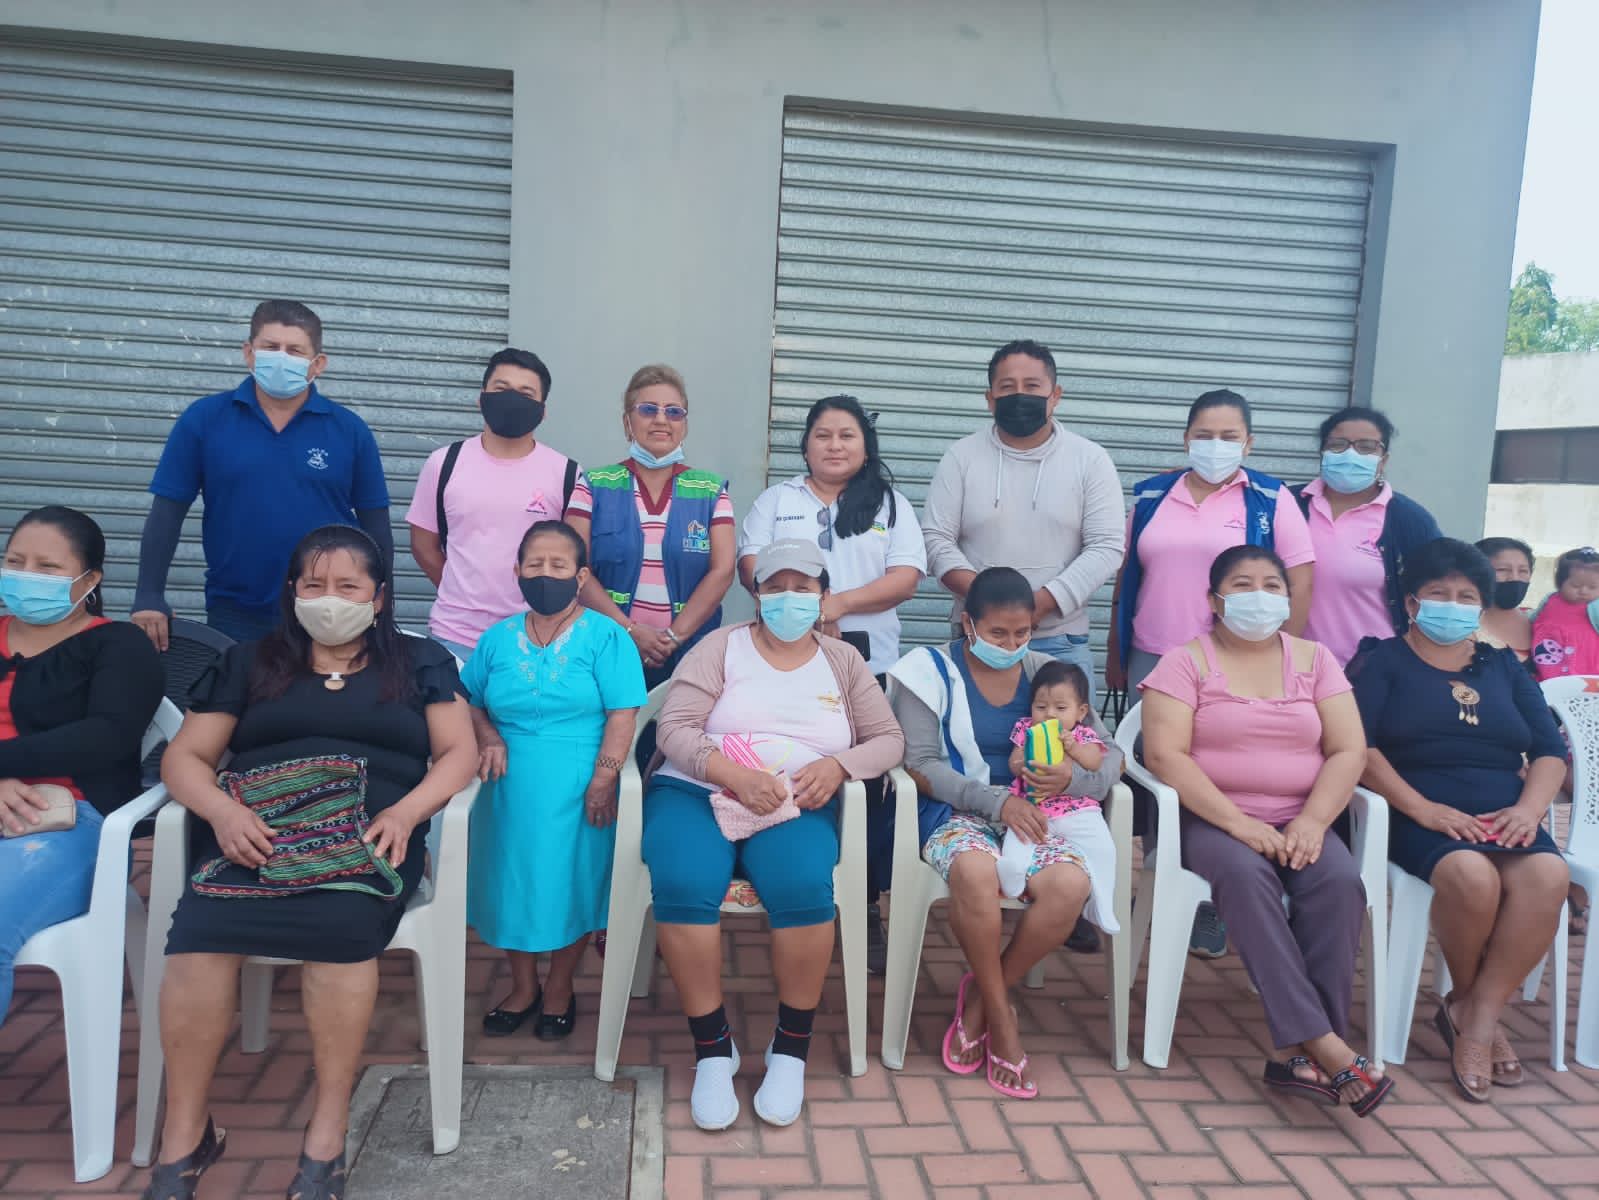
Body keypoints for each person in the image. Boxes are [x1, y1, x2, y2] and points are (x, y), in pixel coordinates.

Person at [141, 525, 476, 1200]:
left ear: (378, 597)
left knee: (340, 928)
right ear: (293, 591)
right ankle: (186, 1135)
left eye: (348, 586)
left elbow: (458, 754)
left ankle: (327, 1129)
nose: (329, 599)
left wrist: (408, 812)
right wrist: (222, 813)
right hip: (256, 835)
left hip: (368, 837)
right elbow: (185, 757)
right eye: (314, 584)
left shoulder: (420, 662)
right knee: (199, 937)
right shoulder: (251, 661)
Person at [641, 540, 903, 1131]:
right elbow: (673, 728)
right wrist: (732, 775)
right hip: (697, 789)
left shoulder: (843, 661)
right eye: (775, 587)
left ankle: (790, 1048)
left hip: (794, 801)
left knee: (804, 885)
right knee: (682, 879)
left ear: (823, 596)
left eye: (803, 588)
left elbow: (889, 740)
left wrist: (838, 767)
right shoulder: (721, 646)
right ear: (756, 594)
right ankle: (713, 1049)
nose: (789, 598)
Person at [1139, 545, 1390, 1116]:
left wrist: (1314, 820)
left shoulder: (1316, 660)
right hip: (1214, 819)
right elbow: (1165, 756)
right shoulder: (1184, 662)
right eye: (1243, 584)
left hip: (1302, 817)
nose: (1259, 596)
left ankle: (1299, 1054)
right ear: (1214, 600)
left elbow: (1348, 750)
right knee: (1247, 879)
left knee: (1338, 884)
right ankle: (1328, 1045)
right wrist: (1240, 824)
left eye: (1272, 585)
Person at [888, 567, 1123, 1100]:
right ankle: (1002, 1018)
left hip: (1041, 813)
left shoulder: (1047, 675)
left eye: (1022, 633)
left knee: (1069, 885)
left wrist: (1072, 779)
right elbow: (920, 764)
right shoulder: (928, 672)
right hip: (956, 811)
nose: (1012, 645)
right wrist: (998, 802)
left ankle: (980, 1000)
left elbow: (1111, 756)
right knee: (975, 871)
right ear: (968, 623)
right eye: (998, 633)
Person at [1350, 538, 1570, 1104]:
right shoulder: (1381, 661)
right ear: (1412, 602)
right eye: (1438, 593)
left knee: (1549, 876)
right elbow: (1359, 748)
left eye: (1466, 596)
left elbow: (1549, 751)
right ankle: (1475, 1015)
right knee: (1473, 876)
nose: (1453, 605)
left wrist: (1529, 810)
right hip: (1419, 810)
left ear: (1481, 605)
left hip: (1504, 811)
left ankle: (1475, 1014)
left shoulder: (1502, 666)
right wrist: (1422, 809)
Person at [1108, 387, 1316, 959]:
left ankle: (1214, 906)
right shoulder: (1153, 496)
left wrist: (1284, 654)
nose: (1215, 445)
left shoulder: (1271, 500)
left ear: (1249, 443)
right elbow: (1128, 576)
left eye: (1229, 436)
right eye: (1204, 434)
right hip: (1155, 656)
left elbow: (1298, 580)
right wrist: (1116, 652)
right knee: (1159, 773)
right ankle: (1163, 876)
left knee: (1220, 770)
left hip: (1235, 661)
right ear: (1186, 439)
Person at [737, 395, 925, 970]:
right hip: (783, 660)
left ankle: (863, 903)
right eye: (823, 435)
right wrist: (799, 604)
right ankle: (790, 879)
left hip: (867, 664)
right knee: (790, 763)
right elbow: (750, 565)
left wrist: (835, 604)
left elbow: (906, 576)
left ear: (865, 444)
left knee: (866, 783)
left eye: (847, 435)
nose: (835, 445)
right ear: (806, 445)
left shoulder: (889, 504)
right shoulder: (777, 500)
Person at [464, 520, 646, 1039]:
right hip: (507, 786)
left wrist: (604, 779)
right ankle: (523, 987)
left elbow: (623, 715)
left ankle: (561, 985)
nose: (545, 573)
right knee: (511, 884)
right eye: (535, 564)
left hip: (581, 784)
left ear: (581, 575)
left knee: (573, 883)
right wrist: (488, 737)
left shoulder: (607, 636)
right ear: (517, 572)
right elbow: (469, 701)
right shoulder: (497, 638)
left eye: (558, 565)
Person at [132, 300, 392, 648]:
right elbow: (167, 513)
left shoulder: (349, 430)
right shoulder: (205, 420)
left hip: (330, 610)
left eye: (294, 350)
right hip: (235, 609)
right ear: (249, 353)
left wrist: (383, 604)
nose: (281, 357)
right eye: (271, 347)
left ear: (318, 363)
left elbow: (377, 527)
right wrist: (149, 594)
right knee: (236, 686)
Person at [0, 507, 162, 1026]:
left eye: (47, 567)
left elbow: (105, 738)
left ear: (88, 581)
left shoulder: (119, 645)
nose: (26, 575)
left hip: (69, 822)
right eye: (15, 561)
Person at [921, 339, 1125, 707]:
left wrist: (1040, 604)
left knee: (1062, 744)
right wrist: (991, 604)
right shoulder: (961, 457)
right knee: (970, 740)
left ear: (1055, 395)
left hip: (1060, 642)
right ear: (990, 399)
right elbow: (936, 538)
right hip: (976, 640)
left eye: (1032, 386)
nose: (1020, 396)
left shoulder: (1090, 460)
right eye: (1007, 387)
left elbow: (1107, 546)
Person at [406, 348, 582, 662]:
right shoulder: (444, 463)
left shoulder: (567, 474)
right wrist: (462, 593)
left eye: (526, 393)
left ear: (542, 411)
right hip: (454, 637)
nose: (512, 399)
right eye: (501, 389)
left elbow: (575, 557)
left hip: (535, 640)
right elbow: (423, 545)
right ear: (481, 398)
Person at [565, 364, 735, 689]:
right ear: (627, 422)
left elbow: (723, 571)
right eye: (647, 409)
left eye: (673, 411)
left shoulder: (711, 490)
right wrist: (628, 630)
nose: (661, 419)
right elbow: (574, 568)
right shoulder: (593, 485)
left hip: (690, 653)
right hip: (605, 648)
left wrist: (674, 636)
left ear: (684, 425)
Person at [1293, 406, 1443, 665]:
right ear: (1322, 453)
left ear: (1383, 459)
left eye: (1366, 447)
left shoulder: (1409, 520)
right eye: (1338, 444)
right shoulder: (1288, 504)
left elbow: (1440, 589)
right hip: (1297, 667)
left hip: (1374, 671)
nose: (1350, 454)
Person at [996, 661, 1111, 901]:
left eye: (1060, 708)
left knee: (1103, 848)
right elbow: (1014, 763)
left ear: (1081, 712)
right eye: (1041, 707)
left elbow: (1094, 762)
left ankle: (1103, 903)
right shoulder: (1027, 729)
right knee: (1018, 840)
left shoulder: (1082, 734)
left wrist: (1074, 748)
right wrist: (1026, 759)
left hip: (1076, 810)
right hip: (1032, 808)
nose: (1049, 714)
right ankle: (1011, 876)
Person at [1531, 546, 1599, 680]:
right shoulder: (1550, 599)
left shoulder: (1595, 606)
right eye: (1575, 586)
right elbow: (1533, 619)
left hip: (1587, 666)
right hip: (1548, 662)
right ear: (1560, 582)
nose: (1583, 591)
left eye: (1593, 587)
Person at [1475, 537, 1537, 663]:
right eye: (1502, 570)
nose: (1514, 578)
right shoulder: (1464, 630)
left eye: (1523, 571)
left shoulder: (1538, 620)